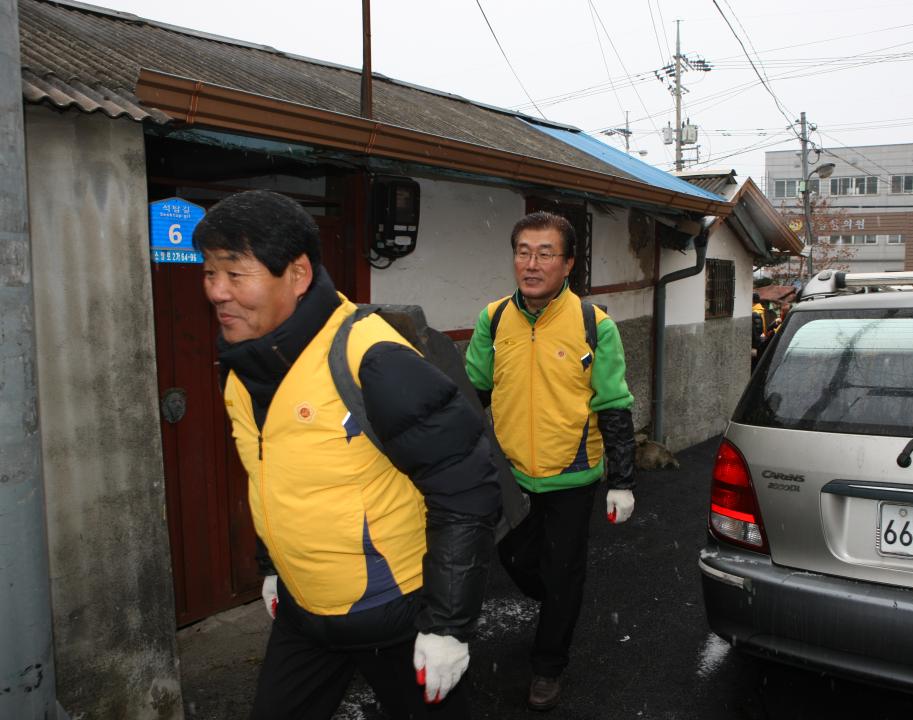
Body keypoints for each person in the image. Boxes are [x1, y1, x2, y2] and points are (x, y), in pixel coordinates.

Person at [193, 190, 500, 720]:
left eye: (235, 273)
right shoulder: (245, 366)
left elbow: (466, 484)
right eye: (209, 271)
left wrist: (448, 626)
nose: (216, 291)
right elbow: (277, 478)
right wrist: (274, 566)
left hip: (394, 614)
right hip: (303, 613)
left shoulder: (370, 356)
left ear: (298, 274)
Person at [464, 211, 637, 711]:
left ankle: (547, 666)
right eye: (523, 252)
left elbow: (613, 404)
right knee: (515, 559)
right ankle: (560, 603)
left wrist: (622, 480)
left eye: (545, 254)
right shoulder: (493, 319)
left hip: (572, 474)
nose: (532, 263)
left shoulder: (592, 324)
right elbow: (472, 390)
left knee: (564, 573)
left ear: (568, 265)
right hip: (512, 474)